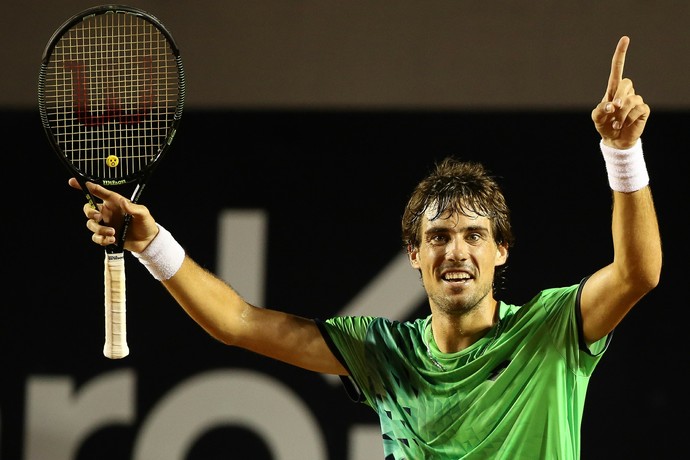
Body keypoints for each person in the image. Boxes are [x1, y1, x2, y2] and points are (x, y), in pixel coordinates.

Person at [70, 35, 661, 459]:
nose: (457, 251)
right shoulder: (383, 353)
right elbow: (240, 322)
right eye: (439, 237)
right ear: (415, 254)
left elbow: (638, 273)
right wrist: (151, 242)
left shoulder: (550, 328)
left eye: (474, 236)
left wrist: (623, 152)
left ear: (501, 250)